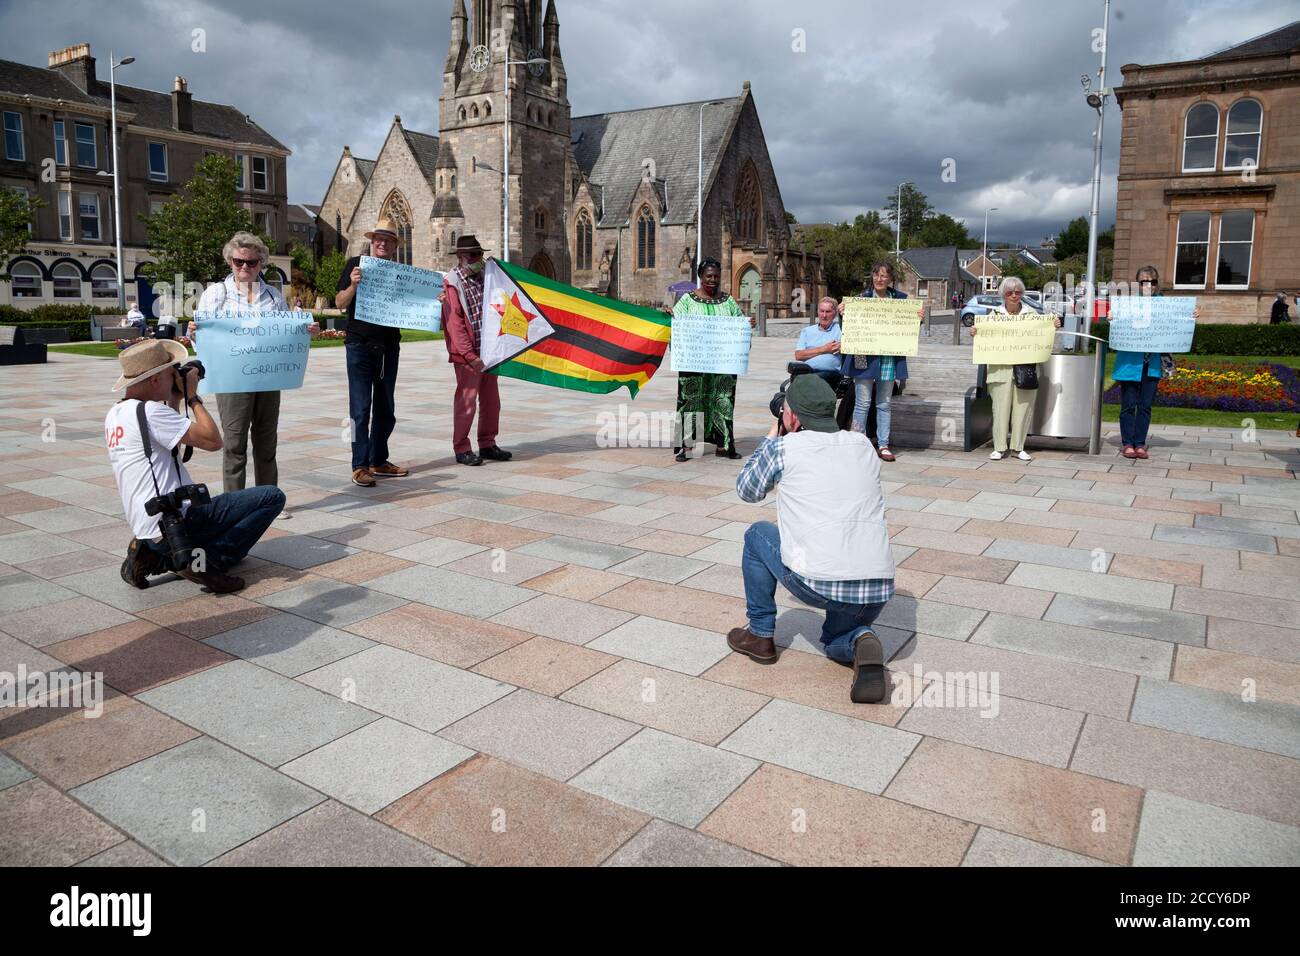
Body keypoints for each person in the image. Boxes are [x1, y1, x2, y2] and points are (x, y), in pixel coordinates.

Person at [727, 373, 895, 703]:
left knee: (756, 534)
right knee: (836, 640)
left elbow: (747, 490)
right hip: (877, 585)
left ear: (790, 415)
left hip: (817, 580)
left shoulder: (784, 447)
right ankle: (860, 639)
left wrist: (774, 434)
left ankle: (760, 635)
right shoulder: (862, 444)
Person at [107, 340, 284, 594]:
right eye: (171, 373)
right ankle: (206, 560)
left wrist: (174, 401)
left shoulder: (117, 413)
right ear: (155, 380)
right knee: (271, 497)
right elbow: (214, 441)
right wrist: (192, 397)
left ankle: (155, 553)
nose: (175, 377)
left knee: (229, 508)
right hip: (180, 519)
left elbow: (166, 451)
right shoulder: (152, 413)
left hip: (149, 523)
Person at [188, 232, 317, 512]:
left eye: (251, 262)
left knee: (266, 441)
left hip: (268, 376)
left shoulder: (272, 296)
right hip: (231, 380)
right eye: (238, 262)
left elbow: (285, 335)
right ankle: (234, 505)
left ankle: (268, 502)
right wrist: (194, 333)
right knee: (234, 443)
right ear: (230, 261)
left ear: (261, 264)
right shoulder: (216, 295)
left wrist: (305, 331)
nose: (244, 267)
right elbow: (204, 341)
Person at [334, 219, 412, 486]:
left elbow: (415, 305)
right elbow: (340, 303)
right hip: (359, 345)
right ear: (372, 242)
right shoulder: (356, 265)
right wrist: (354, 285)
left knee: (386, 407)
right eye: (378, 239)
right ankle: (359, 465)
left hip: (389, 346)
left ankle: (379, 459)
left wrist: (433, 303)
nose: (382, 243)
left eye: (387, 240)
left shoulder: (402, 273)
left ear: (394, 246)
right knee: (360, 408)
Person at [836, 261, 924, 462]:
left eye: (884, 275)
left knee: (884, 403)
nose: (879, 279)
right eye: (876, 275)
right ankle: (858, 442)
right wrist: (843, 314)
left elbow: (908, 330)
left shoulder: (901, 300)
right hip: (864, 357)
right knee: (862, 402)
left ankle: (883, 444)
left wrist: (917, 319)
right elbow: (848, 329)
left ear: (890, 278)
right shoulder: (861, 299)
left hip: (888, 357)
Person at [671, 257, 756, 461]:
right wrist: (671, 318)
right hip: (694, 364)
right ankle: (686, 446)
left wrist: (747, 325)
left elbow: (739, 328)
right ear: (700, 277)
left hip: (722, 365)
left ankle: (723, 444)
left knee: (722, 400)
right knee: (690, 401)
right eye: (709, 276)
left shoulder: (728, 301)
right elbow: (676, 328)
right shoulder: (687, 300)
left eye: (716, 276)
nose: (713, 279)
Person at [1113, 265, 1198, 460]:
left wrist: (1190, 317)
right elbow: (1117, 326)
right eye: (1144, 282)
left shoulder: (1165, 305)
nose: (1148, 286)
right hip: (1129, 364)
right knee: (1128, 405)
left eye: (1152, 282)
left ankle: (1140, 443)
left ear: (1157, 285)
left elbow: (1178, 323)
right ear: (1137, 284)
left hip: (1151, 364)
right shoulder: (1127, 304)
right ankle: (1127, 443)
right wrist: (1112, 318)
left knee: (1145, 405)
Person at [972, 275, 1061, 461]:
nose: (1014, 295)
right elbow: (984, 337)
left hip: (1025, 369)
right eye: (1009, 292)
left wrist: (1053, 326)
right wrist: (975, 332)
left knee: (1023, 409)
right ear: (1003, 294)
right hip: (1000, 370)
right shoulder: (994, 316)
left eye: (1018, 292)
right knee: (1000, 409)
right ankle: (999, 447)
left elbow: (1042, 333)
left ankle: (1018, 447)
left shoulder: (1032, 315)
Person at [443, 234, 512, 466]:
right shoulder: (453, 282)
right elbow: (455, 323)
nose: (478, 259)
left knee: (492, 400)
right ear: (461, 258)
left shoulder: (486, 277)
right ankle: (461, 447)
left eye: (480, 254)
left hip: (489, 350)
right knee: (467, 400)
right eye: (473, 255)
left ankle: (487, 443)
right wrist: (469, 355)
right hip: (467, 355)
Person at [793, 296, 842, 387]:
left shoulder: (840, 330)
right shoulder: (807, 331)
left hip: (830, 373)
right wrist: (824, 349)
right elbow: (798, 355)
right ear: (817, 312)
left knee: (812, 380)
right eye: (821, 311)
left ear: (835, 313)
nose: (824, 315)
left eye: (828, 312)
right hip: (807, 371)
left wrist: (843, 347)